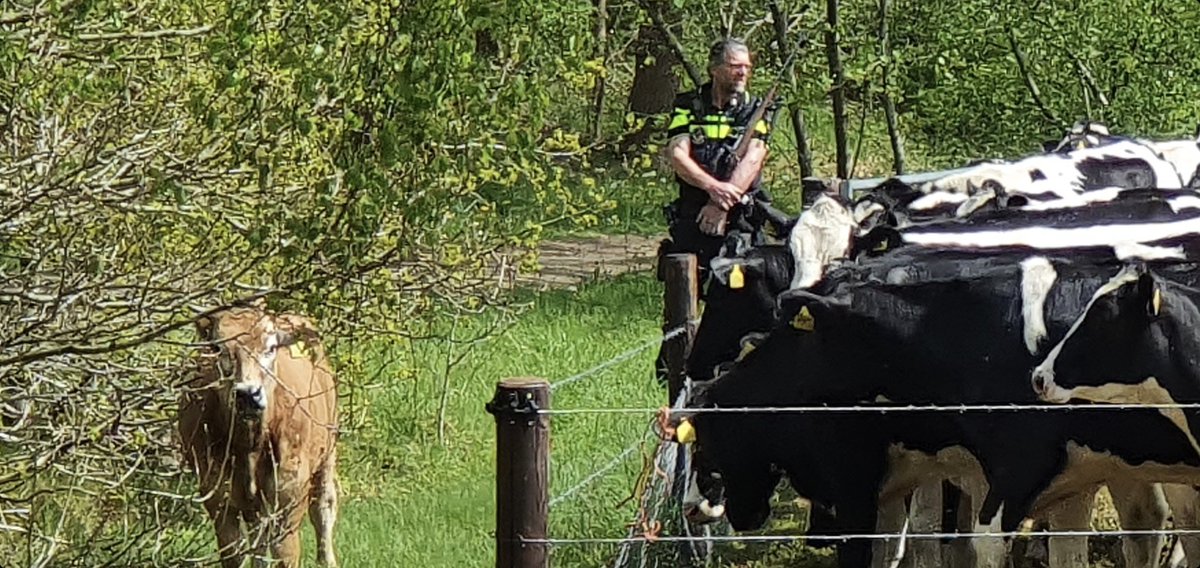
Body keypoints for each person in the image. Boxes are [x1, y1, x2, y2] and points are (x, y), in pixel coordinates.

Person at [662, 37, 779, 286]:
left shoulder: (755, 109)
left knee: (746, 294)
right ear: (714, 69)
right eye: (735, 66)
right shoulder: (689, 105)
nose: (743, 72)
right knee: (683, 287)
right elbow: (677, 153)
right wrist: (713, 188)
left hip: (740, 218)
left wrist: (720, 205)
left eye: (747, 67)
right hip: (693, 214)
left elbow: (754, 159)